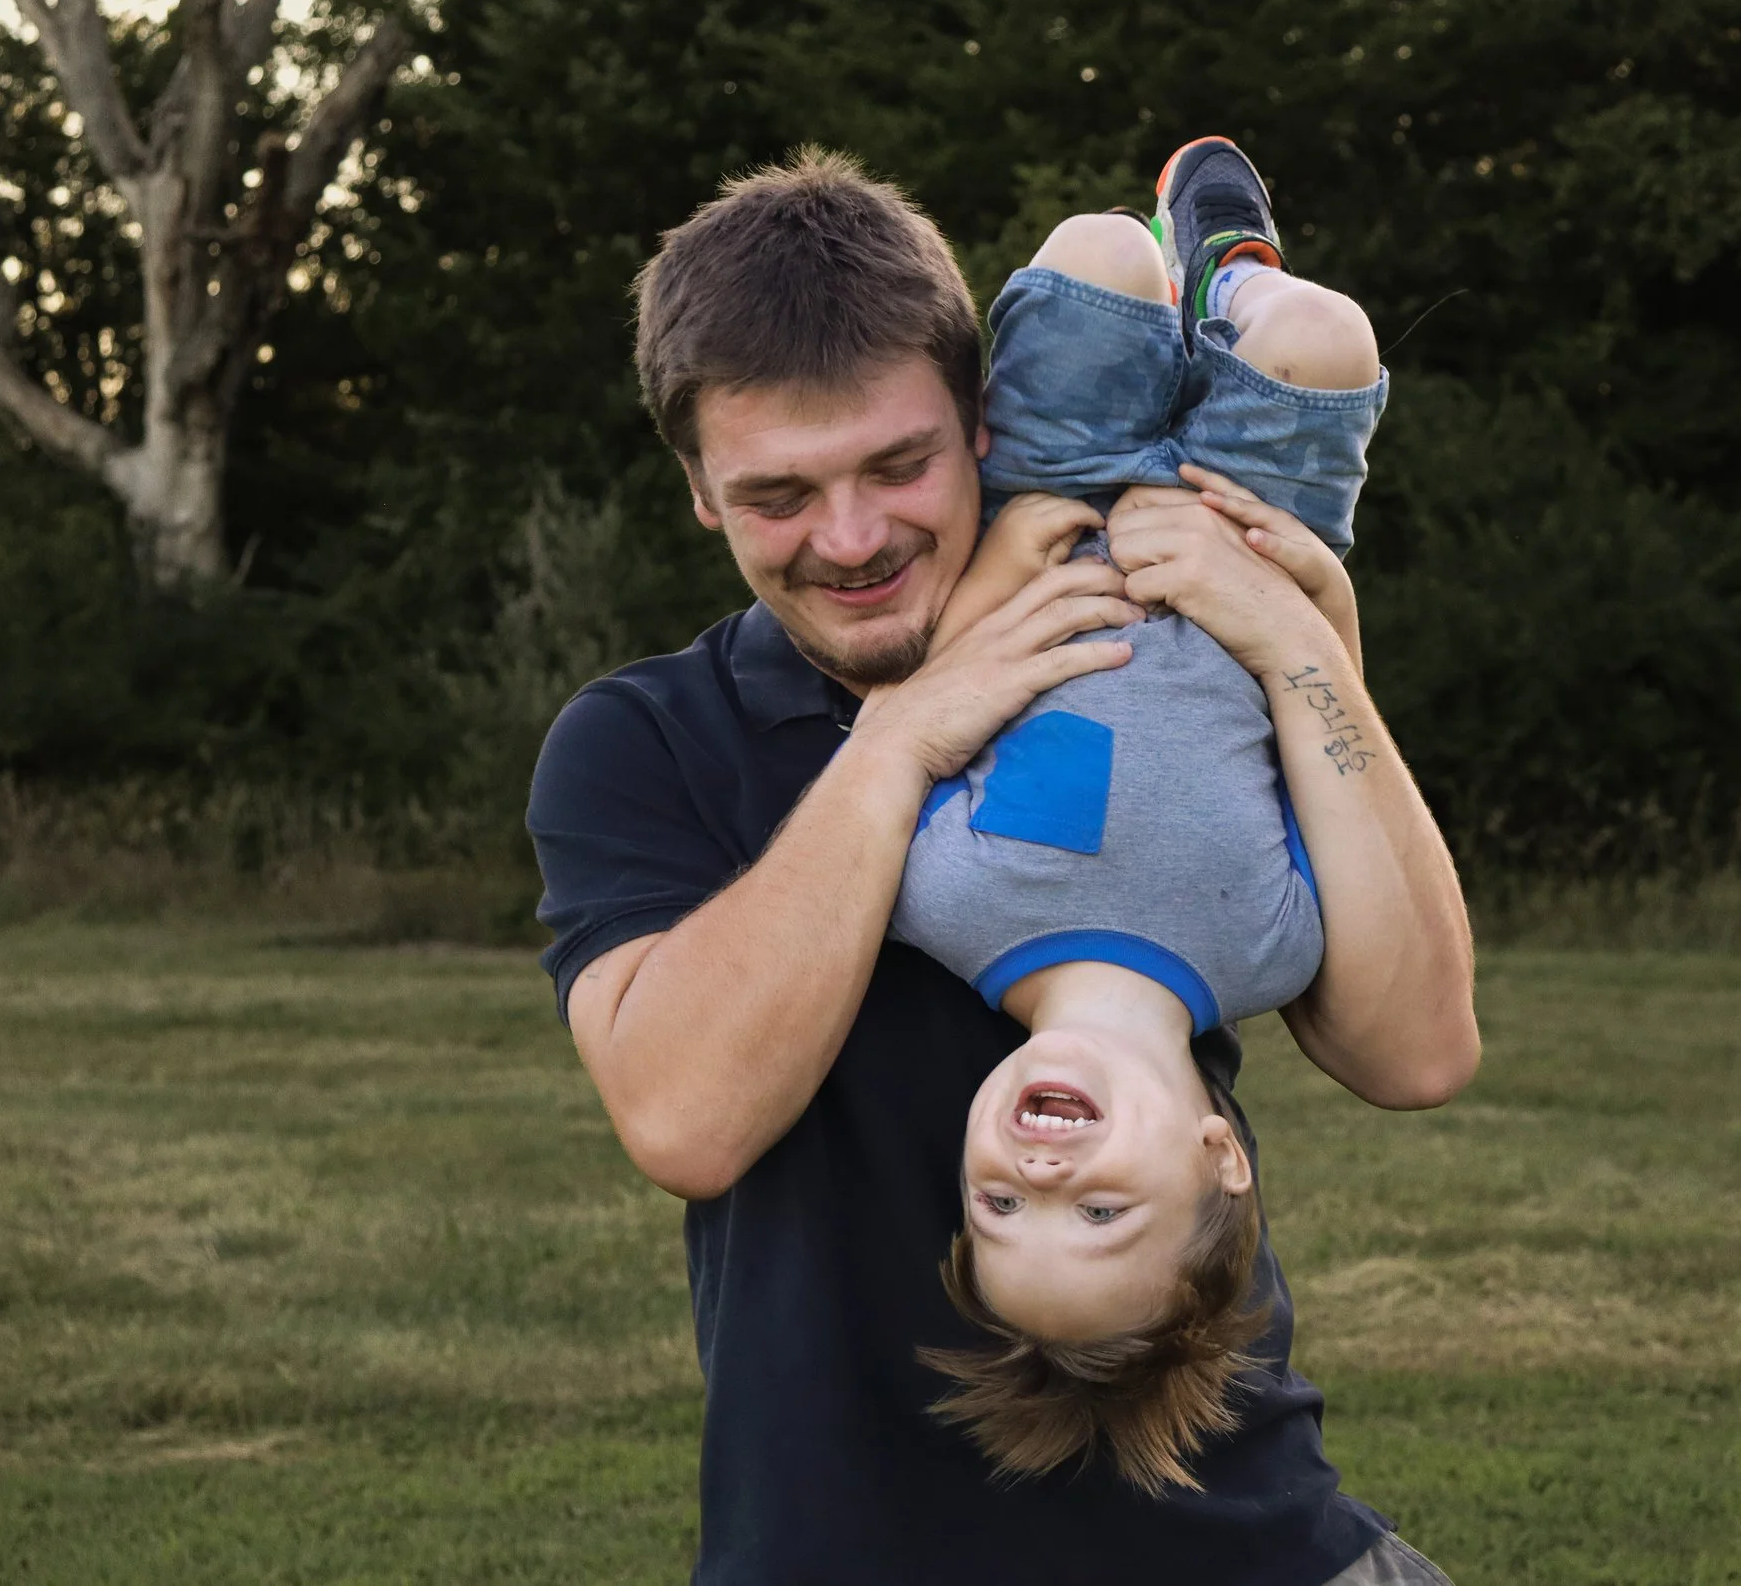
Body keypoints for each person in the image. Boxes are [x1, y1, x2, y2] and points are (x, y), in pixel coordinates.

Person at [527, 143, 1478, 1585]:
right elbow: (687, 1115)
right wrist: (902, 740)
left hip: (1255, 1550)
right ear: (700, 491)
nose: (850, 539)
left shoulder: (1182, 627)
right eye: (778, 493)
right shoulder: (647, 742)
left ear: (985, 423)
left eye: (898, 465)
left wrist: (1301, 643)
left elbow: (1409, 1048)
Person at [892, 139, 1400, 1497]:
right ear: (1218, 1155)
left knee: (1095, 257)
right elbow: (1327, 757)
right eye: (1101, 1207)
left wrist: (1010, 556)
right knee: (1325, 336)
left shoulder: (938, 904)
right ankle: (1232, 283)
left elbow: (934, 706)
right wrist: (1302, 608)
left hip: (1059, 499)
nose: (1041, 1167)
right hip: (1246, 527)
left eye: (1000, 1205)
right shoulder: (1276, 948)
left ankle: (1162, 290)